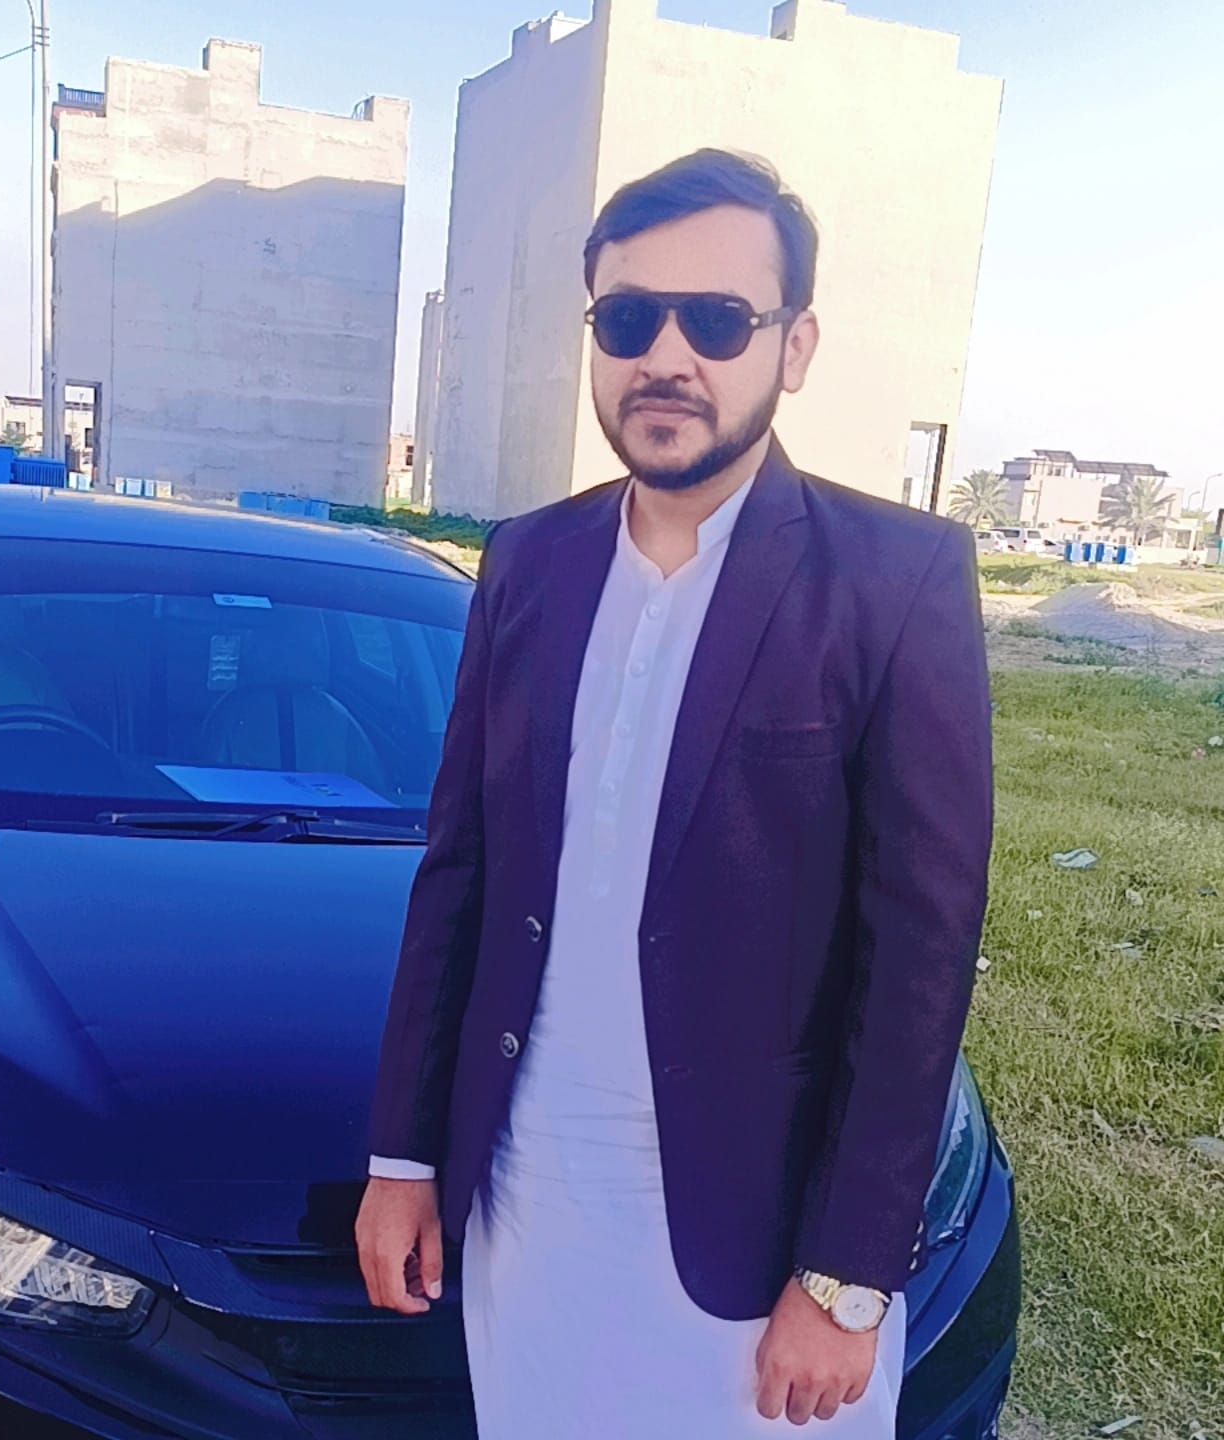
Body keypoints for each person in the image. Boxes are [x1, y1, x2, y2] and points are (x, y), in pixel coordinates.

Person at [355, 148, 994, 1436]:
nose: (666, 356)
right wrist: (402, 1155)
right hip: (527, 1205)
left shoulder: (895, 581)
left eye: (715, 320)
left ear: (793, 346)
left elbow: (920, 956)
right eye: (629, 317)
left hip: (756, 1244)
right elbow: (458, 871)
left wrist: (849, 1273)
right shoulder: (527, 564)